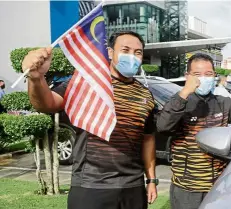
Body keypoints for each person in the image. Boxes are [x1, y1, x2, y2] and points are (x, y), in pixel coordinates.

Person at [21, 31, 158, 209]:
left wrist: (151, 179)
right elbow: (47, 104)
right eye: (125, 50)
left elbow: (147, 139)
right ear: (110, 52)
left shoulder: (145, 94)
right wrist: (36, 78)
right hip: (91, 185)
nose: (132, 56)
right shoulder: (88, 83)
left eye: (137, 52)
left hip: (132, 186)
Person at [156, 53, 231, 209]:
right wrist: (184, 92)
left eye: (208, 74)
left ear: (214, 75)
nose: (203, 78)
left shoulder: (222, 103)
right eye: (197, 74)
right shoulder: (180, 102)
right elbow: (163, 126)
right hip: (188, 188)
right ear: (187, 76)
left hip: (217, 185)